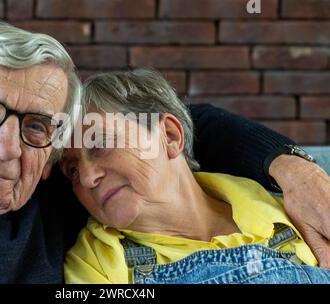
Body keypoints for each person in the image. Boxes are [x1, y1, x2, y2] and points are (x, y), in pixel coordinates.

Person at [0, 22, 328, 283]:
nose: (7, 147)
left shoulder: (53, 192)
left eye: (37, 125)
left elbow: (185, 123)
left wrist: (293, 168)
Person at [62, 69, 330, 284]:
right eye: (71, 170)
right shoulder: (98, 259)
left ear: (168, 136)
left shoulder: (285, 207)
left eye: (101, 144)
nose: (86, 177)